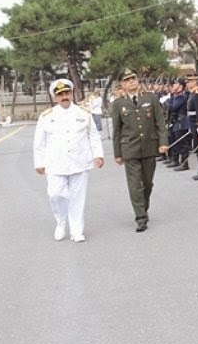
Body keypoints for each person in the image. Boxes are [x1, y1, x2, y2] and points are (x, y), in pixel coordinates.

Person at [33, 79, 105, 242]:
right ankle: (60, 221)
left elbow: (93, 136)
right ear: (55, 98)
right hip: (55, 163)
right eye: (60, 95)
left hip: (79, 161)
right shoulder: (46, 116)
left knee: (78, 198)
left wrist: (98, 155)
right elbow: (39, 142)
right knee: (56, 194)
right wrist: (39, 162)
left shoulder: (84, 114)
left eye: (67, 93)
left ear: (71, 94)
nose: (64, 97)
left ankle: (76, 230)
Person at [111, 69, 168, 232]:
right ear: (122, 84)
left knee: (148, 183)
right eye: (127, 80)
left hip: (149, 146)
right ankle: (141, 217)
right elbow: (116, 130)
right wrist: (117, 153)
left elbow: (160, 122)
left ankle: (143, 207)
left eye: (133, 78)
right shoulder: (119, 104)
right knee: (135, 185)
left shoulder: (150, 98)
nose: (131, 82)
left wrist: (163, 142)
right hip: (130, 148)